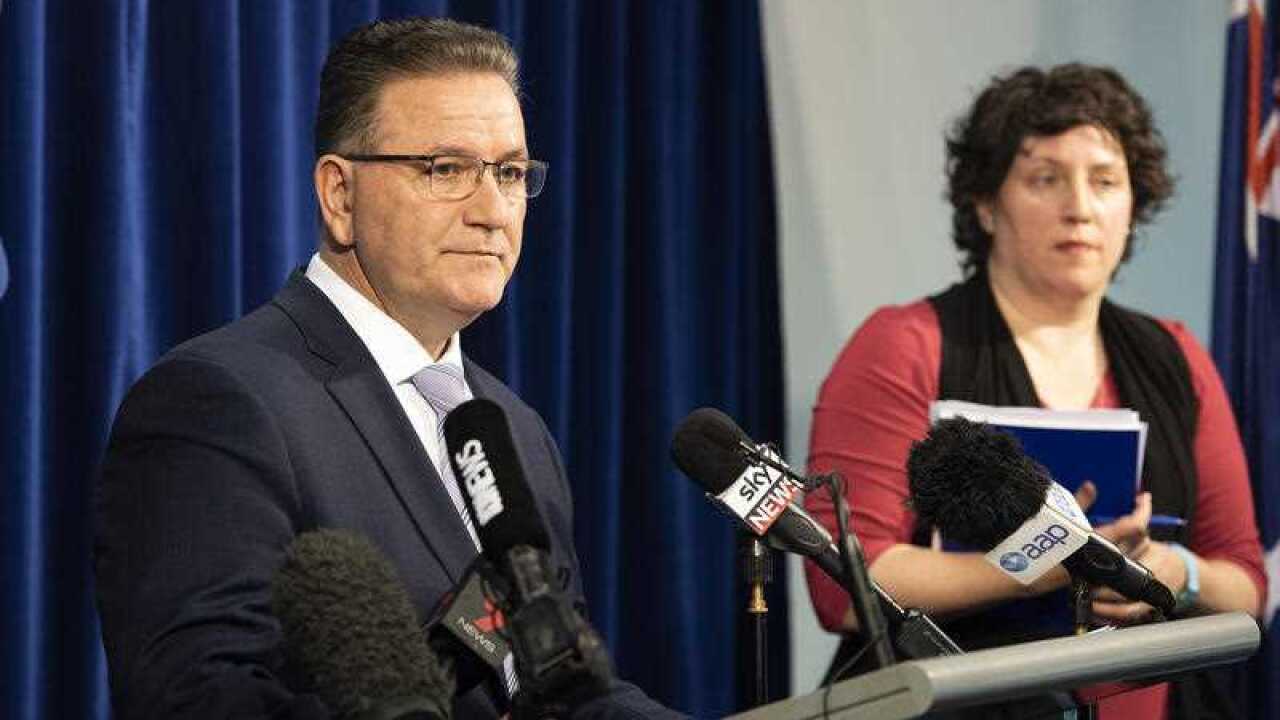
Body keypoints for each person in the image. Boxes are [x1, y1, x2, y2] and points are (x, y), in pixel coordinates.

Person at [94, 18, 680, 719]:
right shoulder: (219, 400)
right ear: (341, 196)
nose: (493, 211)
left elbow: (564, 692)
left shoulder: (514, 432)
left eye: (511, 173)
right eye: (446, 169)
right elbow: (202, 698)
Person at [804, 64, 1266, 719]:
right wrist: (1047, 565)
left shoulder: (1177, 356)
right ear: (987, 205)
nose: (1080, 206)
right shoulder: (905, 345)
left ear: (1135, 203)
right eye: (1046, 179)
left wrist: (1176, 575)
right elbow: (843, 584)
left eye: (1105, 181)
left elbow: (1246, 584)